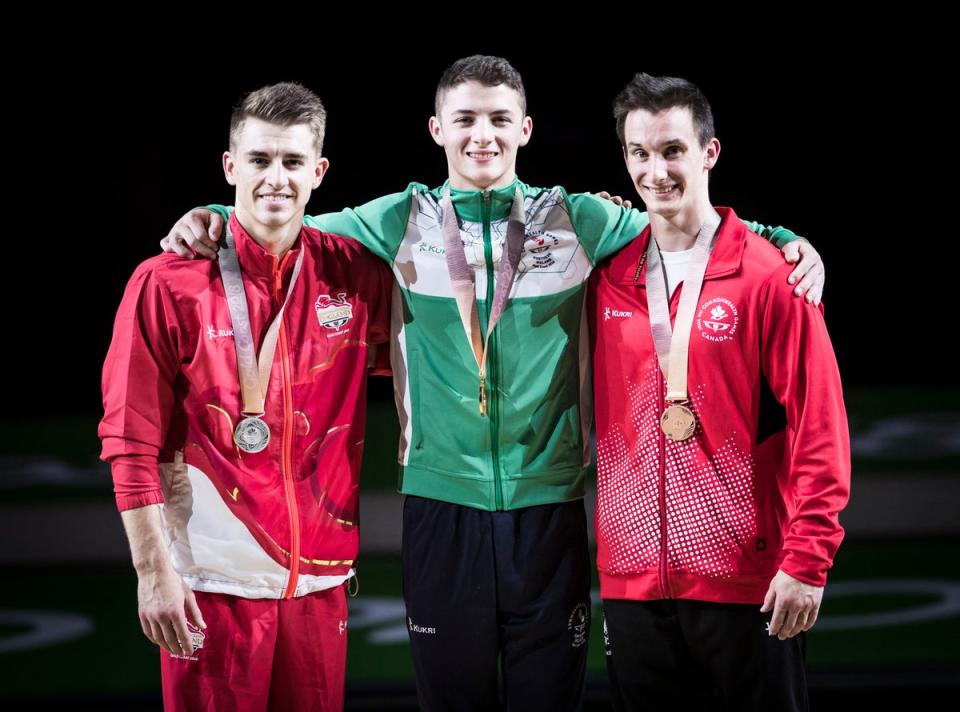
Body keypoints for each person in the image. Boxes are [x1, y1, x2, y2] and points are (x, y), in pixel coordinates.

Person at [161, 57, 824, 711]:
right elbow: (283, 225)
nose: (483, 134)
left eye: (499, 119)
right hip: (439, 508)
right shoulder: (400, 220)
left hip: (548, 510)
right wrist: (213, 211)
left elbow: (686, 229)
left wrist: (783, 237)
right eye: (466, 119)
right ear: (436, 129)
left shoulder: (578, 220)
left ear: (526, 129)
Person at [99, 82, 391, 711]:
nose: (276, 178)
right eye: (259, 160)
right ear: (231, 167)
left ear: (319, 171)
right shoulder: (167, 282)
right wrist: (154, 573)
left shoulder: (355, 274)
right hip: (210, 583)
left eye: (292, 162)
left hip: (318, 583)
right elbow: (130, 441)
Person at [589, 72, 849, 711]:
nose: (656, 171)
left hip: (747, 583)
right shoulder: (605, 274)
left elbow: (820, 427)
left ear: (709, 152)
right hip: (632, 585)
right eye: (640, 153)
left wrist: (807, 562)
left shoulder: (770, 278)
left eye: (672, 150)